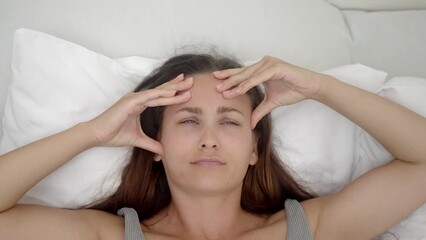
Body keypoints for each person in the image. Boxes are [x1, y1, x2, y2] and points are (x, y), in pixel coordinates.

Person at [0, 53, 425, 240]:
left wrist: (320, 86)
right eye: (187, 120)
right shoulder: (112, 235)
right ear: (155, 143)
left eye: (229, 120)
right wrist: (92, 132)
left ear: (255, 149)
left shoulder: (308, 230)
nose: (209, 138)